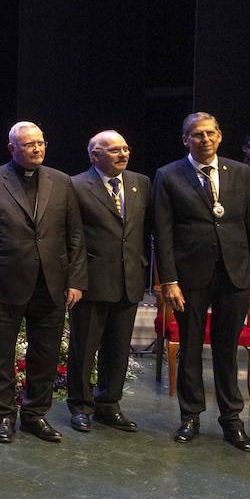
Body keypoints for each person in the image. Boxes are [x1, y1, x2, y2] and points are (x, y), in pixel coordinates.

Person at [153, 112, 250, 451]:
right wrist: (169, 281)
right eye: (196, 134)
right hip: (190, 277)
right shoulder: (169, 175)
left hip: (234, 273)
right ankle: (190, 415)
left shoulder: (240, 172)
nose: (204, 139)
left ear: (220, 136)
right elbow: (162, 233)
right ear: (185, 139)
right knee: (190, 347)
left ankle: (232, 420)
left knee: (226, 349)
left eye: (210, 133)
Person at [0, 121, 86, 445]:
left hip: (51, 283)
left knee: (46, 353)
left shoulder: (62, 182)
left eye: (41, 143)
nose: (37, 149)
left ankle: (36, 414)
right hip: (4, 284)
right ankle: (4, 415)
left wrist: (76, 280)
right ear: (12, 148)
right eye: (29, 144)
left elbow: (75, 235)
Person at [67, 131, 151, 434]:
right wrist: (73, 280)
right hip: (90, 281)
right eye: (114, 150)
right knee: (84, 348)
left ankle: (109, 404)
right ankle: (81, 406)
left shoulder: (140, 183)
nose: (123, 154)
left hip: (128, 280)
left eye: (126, 148)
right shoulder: (75, 185)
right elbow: (71, 237)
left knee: (118, 348)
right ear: (94, 155)